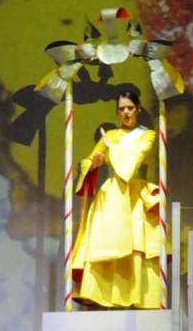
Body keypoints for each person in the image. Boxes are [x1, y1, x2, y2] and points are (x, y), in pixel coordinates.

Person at [69, 85, 166, 310]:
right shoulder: (111, 135)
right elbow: (89, 159)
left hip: (136, 195)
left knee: (136, 246)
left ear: (138, 109)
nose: (126, 113)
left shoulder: (149, 135)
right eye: (121, 109)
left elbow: (137, 157)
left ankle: (137, 297)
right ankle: (104, 296)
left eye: (130, 108)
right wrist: (93, 164)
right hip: (112, 196)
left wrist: (112, 148)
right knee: (107, 244)